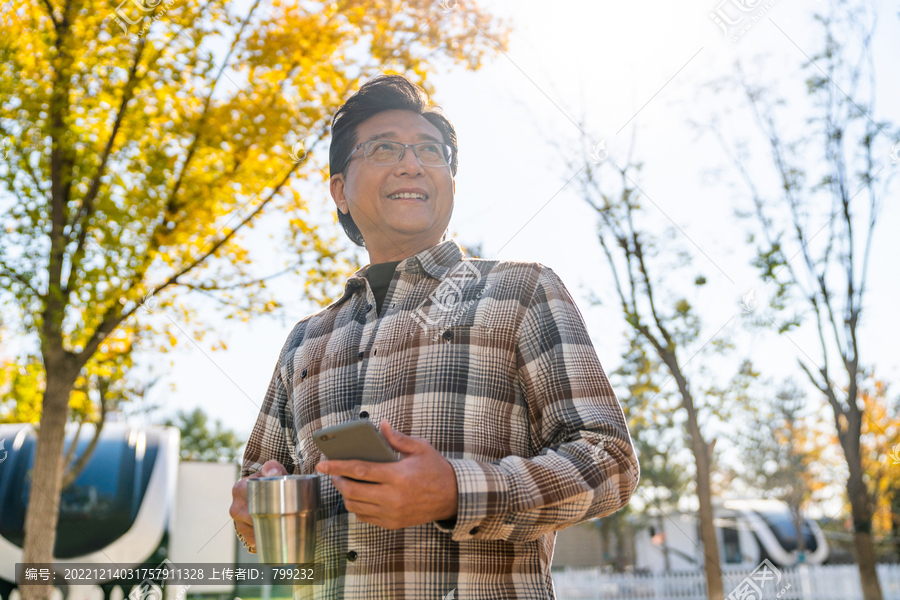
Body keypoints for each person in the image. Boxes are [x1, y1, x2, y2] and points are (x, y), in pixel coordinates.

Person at [229, 74, 639, 600]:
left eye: (431, 150)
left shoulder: (523, 291)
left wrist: (455, 491)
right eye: (384, 148)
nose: (412, 162)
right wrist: (255, 505)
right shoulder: (305, 341)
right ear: (340, 190)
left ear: (449, 181)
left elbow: (610, 461)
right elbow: (254, 495)